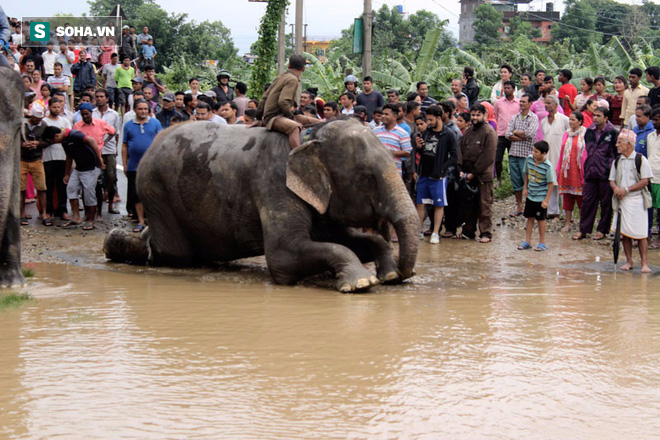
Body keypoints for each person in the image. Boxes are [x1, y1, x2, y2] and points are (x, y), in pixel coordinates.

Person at [43, 124, 105, 230]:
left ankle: (91, 220)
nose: (53, 143)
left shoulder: (74, 134)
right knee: (71, 189)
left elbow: (91, 141)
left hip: (90, 168)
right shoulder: (64, 141)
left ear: (56, 136)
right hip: (79, 168)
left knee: (89, 194)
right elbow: (69, 157)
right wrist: (66, 174)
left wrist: (99, 159)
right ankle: (76, 217)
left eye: (52, 140)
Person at [252, 55, 320, 149]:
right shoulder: (292, 79)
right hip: (275, 117)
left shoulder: (280, 77)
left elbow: (264, 97)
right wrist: (290, 117)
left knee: (318, 122)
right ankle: (298, 157)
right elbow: (283, 102)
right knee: (295, 128)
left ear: (289, 66)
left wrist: (258, 118)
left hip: (277, 115)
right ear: (303, 69)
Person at [609, 129, 653, 272]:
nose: (617, 145)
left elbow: (645, 181)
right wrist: (616, 188)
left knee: (641, 234)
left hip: (637, 200)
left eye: (619, 143)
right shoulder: (617, 160)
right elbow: (612, 180)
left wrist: (626, 190)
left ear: (629, 144)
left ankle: (644, 263)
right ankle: (629, 261)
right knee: (624, 233)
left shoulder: (641, 159)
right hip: (622, 201)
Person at [413, 105, 457, 244]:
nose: (429, 122)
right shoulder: (426, 132)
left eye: (431, 120)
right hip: (424, 173)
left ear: (439, 118)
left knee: (439, 205)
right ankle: (419, 230)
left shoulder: (449, 134)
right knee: (420, 203)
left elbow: (454, 156)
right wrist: (419, 147)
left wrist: (443, 169)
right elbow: (423, 152)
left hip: (438, 176)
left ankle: (436, 232)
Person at [574, 107, 618, 240]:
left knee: (606, 203)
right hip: (591, 171)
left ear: (606, 118)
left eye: (599, 116)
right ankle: (584, 229)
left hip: (606, 172)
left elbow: (616, 154)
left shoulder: (613, 133)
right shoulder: (589, 132)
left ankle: (602, 230)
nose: (595, 118)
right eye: (594, 115)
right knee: (587, 201)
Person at [458, 104, 498, 242]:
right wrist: (460, 170)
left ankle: (486, 233)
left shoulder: (489, 132)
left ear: (484, 115)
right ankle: (468, 231)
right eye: (473, 115)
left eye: (477, 115)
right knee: (469, 205)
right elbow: (460, 149)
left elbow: (488, 156)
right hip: (467, 175)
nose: (474, 118)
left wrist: (474, 173)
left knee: (484, 205)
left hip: (482, 176)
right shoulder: (468, 131)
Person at [122, 99, 163, 232]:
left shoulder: (155, 123)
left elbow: (161, 142)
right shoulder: (128, 125)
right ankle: (140, 221)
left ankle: (152, 221)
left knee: (152, 193)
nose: (143, 111)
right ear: (134, 110)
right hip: (134, 166)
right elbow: (124, 145)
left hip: (151, 166)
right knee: (136, 194)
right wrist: (124, 164)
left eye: (146, 109)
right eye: (140, 109)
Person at [517, 141, 555, 251]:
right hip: (531, 195)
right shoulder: (529, 160)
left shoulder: (547, 166)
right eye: (533, 151)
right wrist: (525, 187)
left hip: (541, 196)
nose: (533, 153)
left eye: (536, 152)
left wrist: (546, 200)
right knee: (529, 218)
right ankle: (527, 241)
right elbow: (526, 173)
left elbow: (551, 183)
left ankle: (542, 242)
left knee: (541, 219)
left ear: (543, 153)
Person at [506, 94, 539, 217]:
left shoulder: (533, 118)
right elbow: (507, 134)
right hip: (513, 153)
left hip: (526, 155)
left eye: (524, 102)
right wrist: (520, 135)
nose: (521, 104)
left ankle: (530, 207)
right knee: (516, 181)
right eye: (521, 102)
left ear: (530, 103)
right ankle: (519, 206)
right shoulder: (514, 117)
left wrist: (515, 133)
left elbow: (530, 134)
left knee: (528, 181)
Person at [20, 104, 50, 226]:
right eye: (36, 119)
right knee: (21, 189)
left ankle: (43, 213)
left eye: (40, 119)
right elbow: (14, 137)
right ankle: (21, 214)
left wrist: (37, 143)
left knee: (42, 188)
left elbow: (48, 141)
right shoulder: (22, 124)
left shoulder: (43, 126)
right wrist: (22, 144)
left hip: (36, 159)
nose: (39, 121)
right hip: (21, 159)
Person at [557, 111, 587, 232]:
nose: (570, 122)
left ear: (580, 121)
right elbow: (562, 152)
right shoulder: (566, 134)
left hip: (579, 170)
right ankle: (568, 223)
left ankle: (582, 224)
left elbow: (586, 153)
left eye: (573, 120)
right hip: (567, 171)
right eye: (570, 119)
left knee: (581, 198)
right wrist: (559, 169)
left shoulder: (585, 134)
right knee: (567, 197)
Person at [93, 89, 122, 215]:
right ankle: (96, 208)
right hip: (95, 151)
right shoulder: (92, 113)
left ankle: (110, 204)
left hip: (109, 150)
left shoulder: (114, 114)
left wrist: (115, 149)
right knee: (95, 180)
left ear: (107, 99)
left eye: (101, 96)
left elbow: (116, 133)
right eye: (97, 96)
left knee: (111, 178)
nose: (99, 99)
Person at [541, 94, 570, 217]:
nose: (546, 105)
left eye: (549, 103)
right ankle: (553, 211)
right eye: (545, 103)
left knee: (563, 185)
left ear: (556, 105)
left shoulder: (564, 120)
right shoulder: (543, 121)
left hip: (561, 157)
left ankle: (566, 212)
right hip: (548, 157)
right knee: (550, 183)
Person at [373, 103, 411, 176]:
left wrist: (390, 153)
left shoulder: (402, 133)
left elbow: (407, 152)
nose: (383, 116)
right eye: (382, 114)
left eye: (386, 114)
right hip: (377, 172)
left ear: (395, 116)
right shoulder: (375, 131)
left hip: (394, 173)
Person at [494, 80, 520, 186]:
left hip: (513, 135)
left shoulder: (518, 103)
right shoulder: (498, 102)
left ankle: (514, 180)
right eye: (505, 88)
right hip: (501, 134)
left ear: (513, 89)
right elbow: (496, 115)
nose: (507, 90)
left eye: (509, 88)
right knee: (498, 158)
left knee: (513, 159)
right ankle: (499, 179)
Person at [647, 107, 660, 249]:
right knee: (650, 206)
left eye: (657, 120)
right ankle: (648, 233)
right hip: (651, 176)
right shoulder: (651, 136)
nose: (654, 122)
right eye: (653, 119)